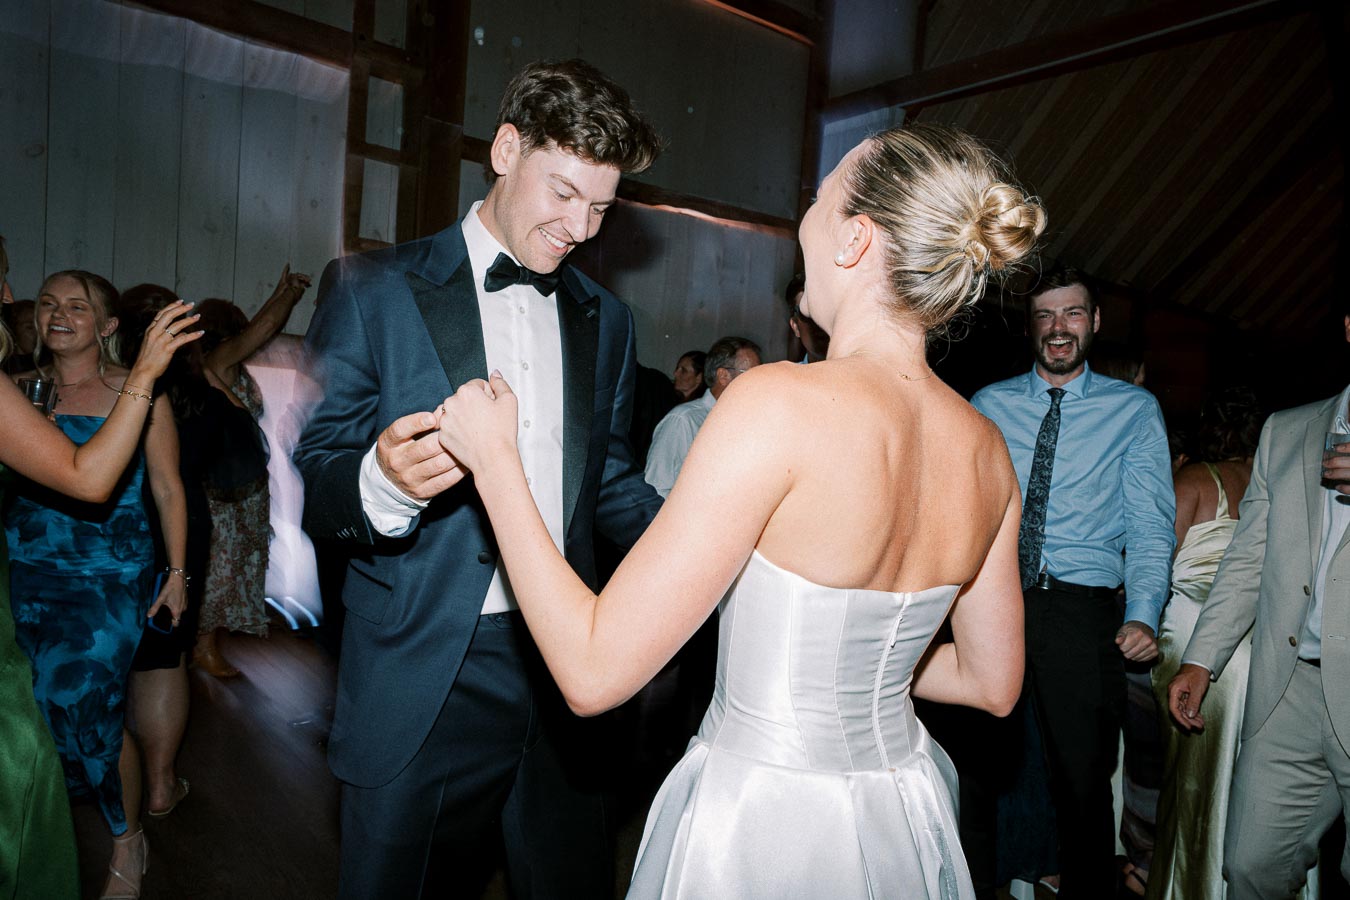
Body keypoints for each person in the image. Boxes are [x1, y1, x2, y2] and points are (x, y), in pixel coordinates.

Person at [437, 121, 1044, 898]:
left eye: (820, 200)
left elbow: (593, 671)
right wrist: (860, 674)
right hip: (903, 808)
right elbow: (994, 683)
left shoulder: (777, 404)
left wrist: (496, 463)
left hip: (768, 817)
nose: (806, 219)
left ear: (855, 239)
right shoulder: (987, 448)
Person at [294, 58, 664, 898]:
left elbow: (606, 481)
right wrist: (383, 481)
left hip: (568, 666)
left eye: (601, 209)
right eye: (563, 193)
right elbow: (316, 475)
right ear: (505, 149)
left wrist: (708, 540)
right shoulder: (372, 290)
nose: (580, 228)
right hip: (423, 667)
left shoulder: (608, 320)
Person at [970, 265, 1176, 899]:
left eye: (1073, 314)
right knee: (982, 777)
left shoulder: (1134, 411)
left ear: (1095, 322)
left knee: (1082, 787)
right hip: (993, 599)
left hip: (1081, 611)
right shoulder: (988, 405)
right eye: (1045, 316)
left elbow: (1149, 524)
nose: (1058, 329)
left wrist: (1142, 612)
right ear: (1031, 327)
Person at [1, 285, 200, 900]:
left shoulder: (135, 392)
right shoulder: (17, 387)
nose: (59, 315)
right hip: (22, 576)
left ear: (109, 323)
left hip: (106, 581)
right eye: (48, 304)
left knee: (93, 714)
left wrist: (176, 574)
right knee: (34, 714)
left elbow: (167, 487)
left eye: (77, 305)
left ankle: (126, 837)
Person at [1168, 313, 1350, 899]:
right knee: (1250, 865)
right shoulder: (1289, 430)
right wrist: (1201, 660)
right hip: (1288, 690)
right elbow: (1249, 559)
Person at [1148, 387, 1278, 900]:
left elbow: (1154, 561)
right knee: (1254, 778)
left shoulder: (1195, 479)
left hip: (1197, 639)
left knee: (1194, 778)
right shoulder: (1278, 483)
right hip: (1261, 639)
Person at [192, 266, 311, 676]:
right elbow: (262, 330)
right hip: (221, 490)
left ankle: (209, 640)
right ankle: (202, 647)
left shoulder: (228, 369)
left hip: (242, 487)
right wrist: (288, 296)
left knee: (235, 562)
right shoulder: (217, 362)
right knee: (218, 566)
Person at [644, 336, 761, 498]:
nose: (760, 382)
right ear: (723, 376)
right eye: (752, 374)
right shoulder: (684, 420)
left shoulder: (746, 423)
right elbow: (656, 488)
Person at [784, 272, 830, 363]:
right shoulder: (787, 377)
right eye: (806, 313)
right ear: (795, 327)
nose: (817, 321)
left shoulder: (861, 375)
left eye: (823, 310)